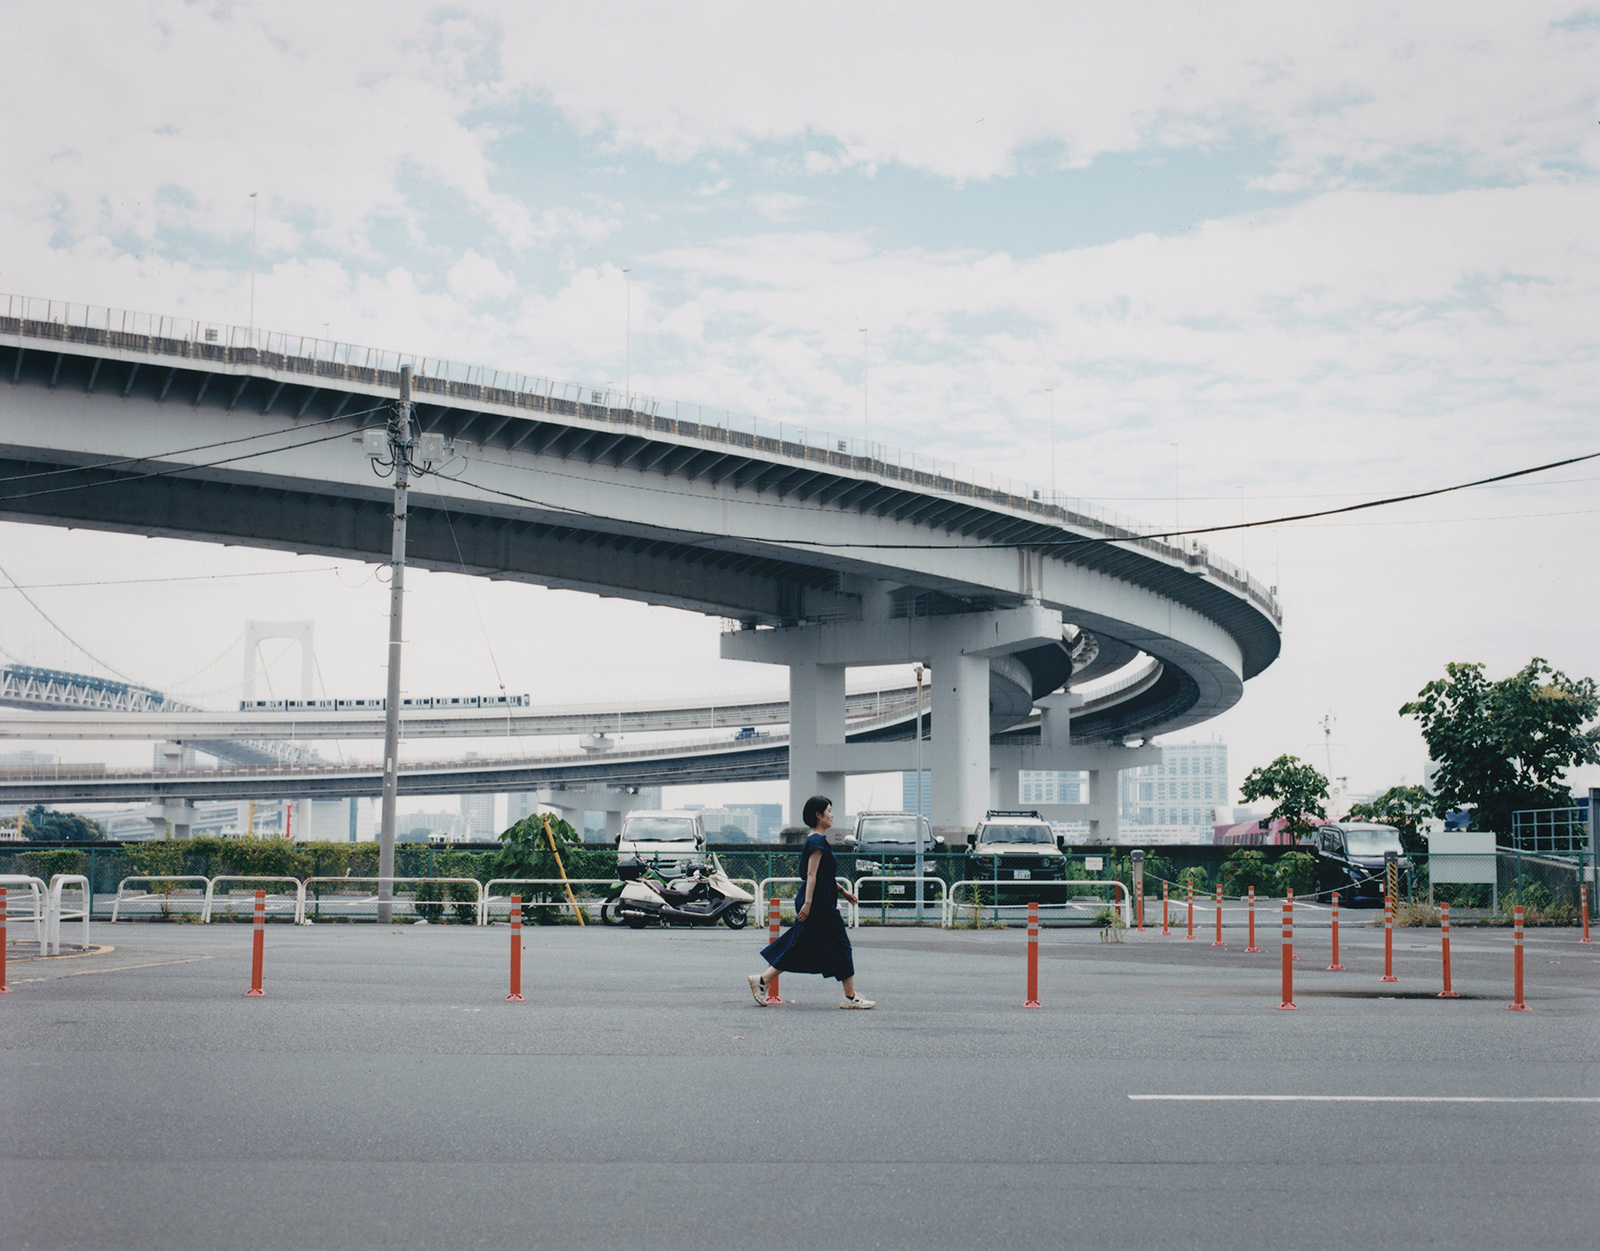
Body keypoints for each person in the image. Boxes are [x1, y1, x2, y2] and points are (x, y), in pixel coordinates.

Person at [749, 795, 875, 1009]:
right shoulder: (816, 841)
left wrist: (843, 890)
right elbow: (812, 874)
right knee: (841, 945)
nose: (832, 815)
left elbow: (824, 875)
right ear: (818, 815)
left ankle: (762, 981)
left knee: (802, 944)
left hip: (820, 900)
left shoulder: (817, 839)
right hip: (819, 904)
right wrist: (808, 904)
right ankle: (850, 996)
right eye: (829, 811)